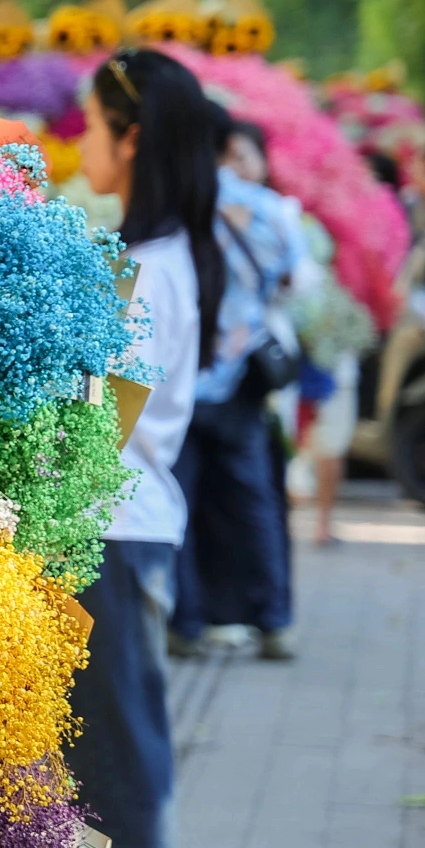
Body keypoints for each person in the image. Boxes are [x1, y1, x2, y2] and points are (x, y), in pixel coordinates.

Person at [68, 48, 224, 848]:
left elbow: (104, 425)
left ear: (132, 139)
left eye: (90, 125)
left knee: (118, 776)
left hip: (115, 529)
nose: (79, 143)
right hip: (126, 527)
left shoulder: (149, 272)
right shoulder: (155, 259)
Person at [169, 105, 303, 660]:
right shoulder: (271, 210)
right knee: (256, 504)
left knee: (178, 501)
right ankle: (274, 621)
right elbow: (293, 280)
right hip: (241, 376)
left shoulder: (186, 203)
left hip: (184, 374)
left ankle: (188, 625)